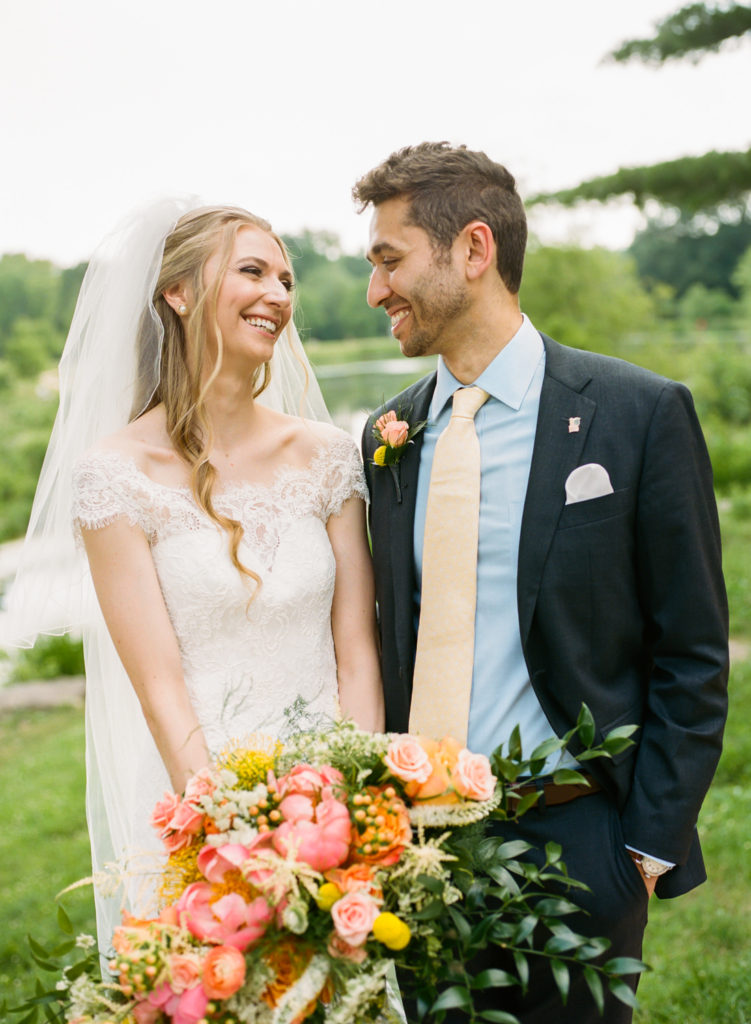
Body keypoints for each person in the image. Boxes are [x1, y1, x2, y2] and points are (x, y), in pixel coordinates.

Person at [354, 143, 728, 1023]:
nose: (375, 291)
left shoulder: (638, 413)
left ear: (472, 249)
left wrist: (643, 846)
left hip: (580, 842)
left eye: (389, 260)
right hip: (419, 852)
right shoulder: (386, 436)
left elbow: (692, 651)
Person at [4, 199, 383, 950]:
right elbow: (159, 686)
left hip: (335, 795)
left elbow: (358, 653)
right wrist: (231, 835)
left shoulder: (328, 455)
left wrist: (357, 806)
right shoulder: (116, 476)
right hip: (203, 801)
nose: (277, 294)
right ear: (177, 293)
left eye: (285, 279)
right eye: (252, 271)